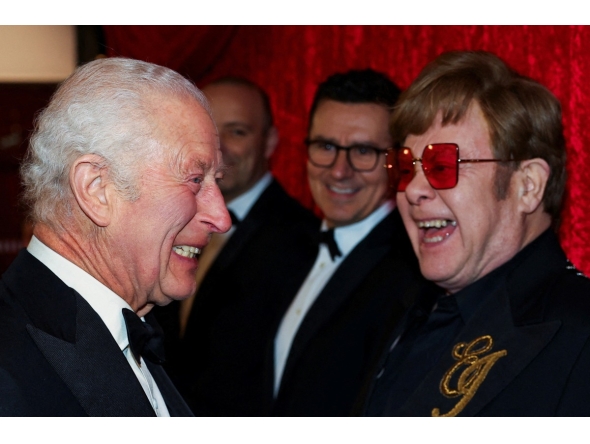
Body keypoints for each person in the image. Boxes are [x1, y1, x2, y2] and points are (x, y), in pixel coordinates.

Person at [361, 50, 590, 417]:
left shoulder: (580, 332)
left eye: (442, 164)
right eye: (405, 167)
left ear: (527, 186)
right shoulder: (400, 308)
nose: (412, 190)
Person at [0, 57, 231, 416]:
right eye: (195, 180)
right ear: (96, 189)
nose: (221, 217)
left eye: (219, 180)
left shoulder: (133, 332)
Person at [270, 69, 436, 416]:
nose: (339, 170)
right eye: (326, 146)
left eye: (363, 151)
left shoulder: (415, 275)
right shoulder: (285, 246)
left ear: (397, 161)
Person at [161, 77, 319, 415]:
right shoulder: (164, 218)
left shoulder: (303, 241)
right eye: (210, 132)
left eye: (237, 132)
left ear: (270, 141)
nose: (219, 150)